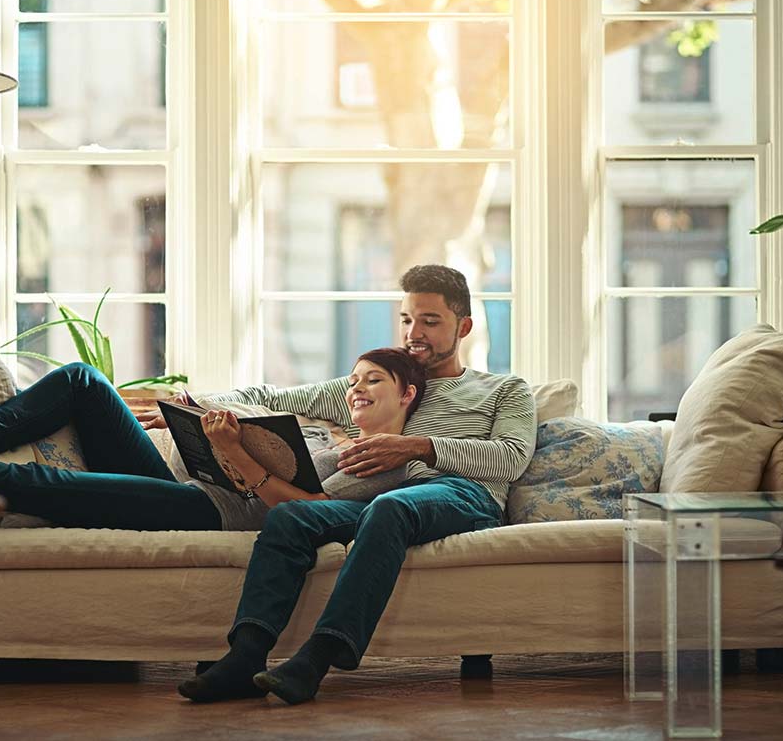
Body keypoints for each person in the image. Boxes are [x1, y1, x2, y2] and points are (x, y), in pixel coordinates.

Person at [176, 264, 536, 706]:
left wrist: (416, 446)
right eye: (407, 319)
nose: (413, 332)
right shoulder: (382, 381)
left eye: (429, 321)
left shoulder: (504, 389)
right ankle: (245, 656)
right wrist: (195, 408)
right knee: (292, 516)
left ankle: (318, 656)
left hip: (463, 494)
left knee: (392, 508)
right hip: (381, 501)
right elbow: (268, 398)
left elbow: (512, 456)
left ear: (464, 326)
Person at [0, 346, 426, 532]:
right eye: (353, 380)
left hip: (215, 513)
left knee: (46, 485)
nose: (356, 389)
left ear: (408, 396)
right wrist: (208, 430)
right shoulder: (325, 428)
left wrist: (238, 456)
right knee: (82, 381)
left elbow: (314, 515)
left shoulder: (390, 467)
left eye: (373, 381)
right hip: (194, 483)